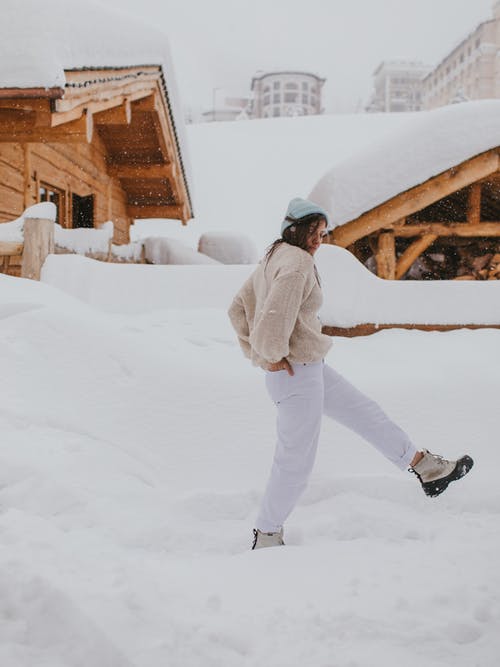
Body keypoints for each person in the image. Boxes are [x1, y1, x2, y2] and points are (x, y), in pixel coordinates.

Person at [228, 197, 474, 550]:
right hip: (297, 374)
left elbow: (237, 308)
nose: (318, 241)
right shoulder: (296, 262)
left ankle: (427, 468)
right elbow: (274, 320)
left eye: (323, 234)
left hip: (306, 370)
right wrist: (268, 354)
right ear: (293, 229)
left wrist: (259, 352)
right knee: (295, 460)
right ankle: (267, 534)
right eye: (313, 232)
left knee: (365, 413)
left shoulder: (273, 258)